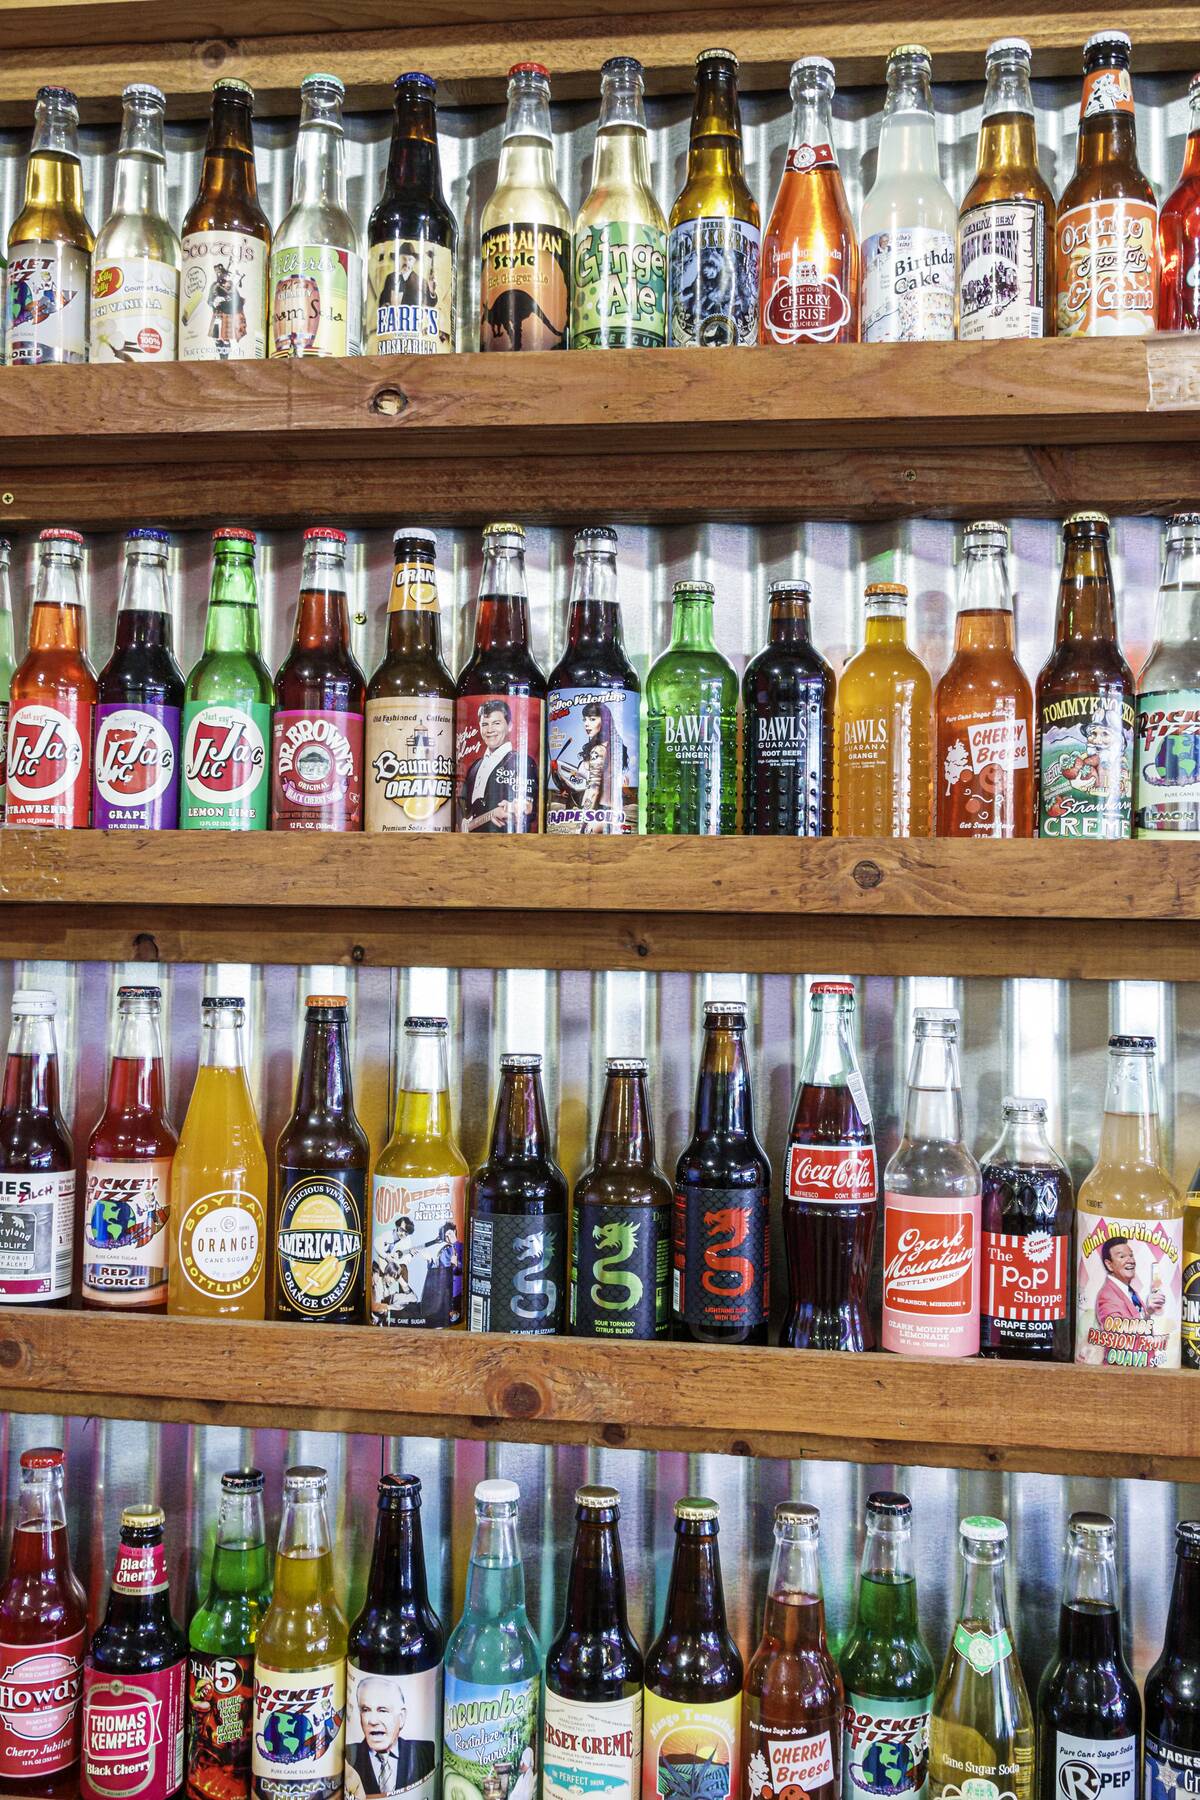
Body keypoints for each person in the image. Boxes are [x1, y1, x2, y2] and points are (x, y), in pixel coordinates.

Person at [344, 1673, 436, 1799]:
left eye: (382, 1710)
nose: (373, 1721)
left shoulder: (424, 1751)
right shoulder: (348, 1757)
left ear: (402, 1717)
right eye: (366, 1710)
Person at [458, 699, 538, 831]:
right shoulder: (474, 767)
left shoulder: (522, 761)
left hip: (508, 845)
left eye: (496, 723)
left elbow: (531, 808)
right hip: (471, 846)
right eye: (485, 724)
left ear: (510, 726)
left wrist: (521, 807)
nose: (490, 730)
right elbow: (463, 809)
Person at [1094, 1236, 1166, 1335]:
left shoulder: (1130, 1292)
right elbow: (1116, 1334)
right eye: (1122, 1256)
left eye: (1131, 1255)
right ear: (1109, 1265)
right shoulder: (1107, 1296)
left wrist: (1151, 1310)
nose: (1130, 1260)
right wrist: (1147, 1311)